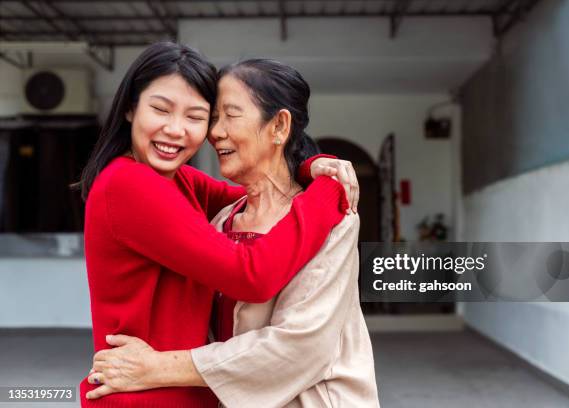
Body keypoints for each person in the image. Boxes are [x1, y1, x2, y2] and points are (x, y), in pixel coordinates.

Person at [78, 42, 360, 407]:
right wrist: (329, 190)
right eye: (160, 109)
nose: (176, 130)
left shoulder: (178, 181)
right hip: (144, 394)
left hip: (173, 393)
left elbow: (256, 191)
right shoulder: (128, 184)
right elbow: (250, 276)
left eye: (197, 117)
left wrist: (309, 166)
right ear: (131, 107)